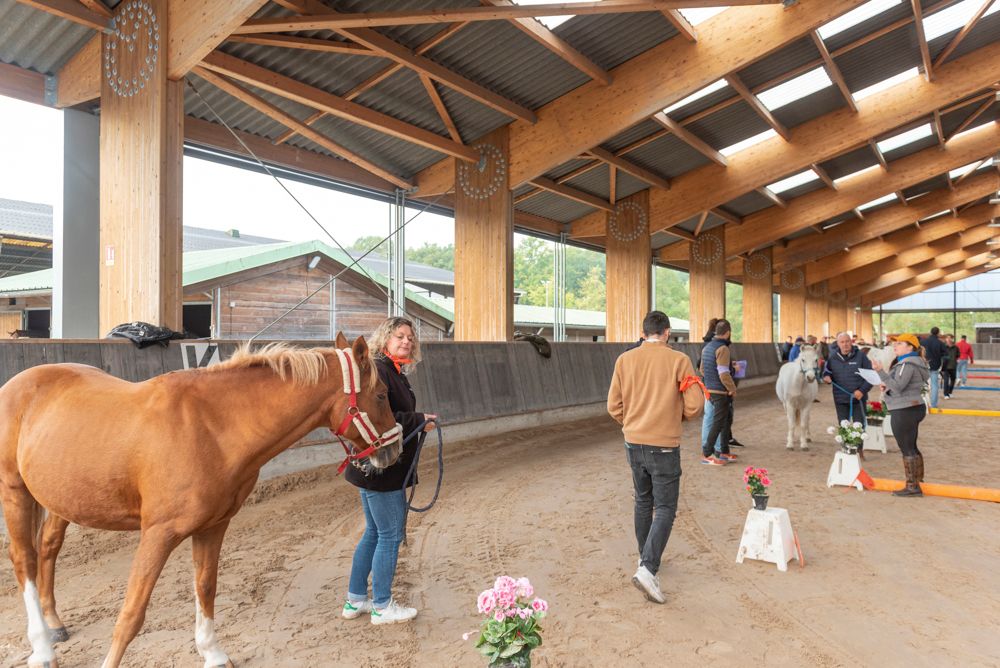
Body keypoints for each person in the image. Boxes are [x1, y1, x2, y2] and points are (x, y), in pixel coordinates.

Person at [343, 317, 437, 624]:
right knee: (389, 535)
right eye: (400, 336)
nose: (407, 342)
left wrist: (418, 420)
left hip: (373, 465)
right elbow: (382, 416)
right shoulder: (381, 370)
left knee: (373, 532)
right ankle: (382, 605)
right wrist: (419, 418)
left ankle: (356, 599)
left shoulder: (392, 370)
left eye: (411, 338)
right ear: (386, 340)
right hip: (385, 466)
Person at [608, 311, 703, 604]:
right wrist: (676, 418)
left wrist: (633, 423)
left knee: (642, 500)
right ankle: (648, 568)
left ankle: (644, 556)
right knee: (665, 507)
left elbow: (614, 406)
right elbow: (695, 404)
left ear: (643, 330)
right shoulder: (678, 360)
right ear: (667, 333)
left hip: (633, 442)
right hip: (664, 444)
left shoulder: (624, 360)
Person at [872, 334, 930, 498]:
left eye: (899, 343)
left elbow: (897, 386)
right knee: (911, 445)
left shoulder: (907, 364)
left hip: (904, 408)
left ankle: (912, 486)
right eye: (894, 343)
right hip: (913, 406)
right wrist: (887, 385)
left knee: (907, 448)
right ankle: (918, 480)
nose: (895, 346)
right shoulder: (916, 362)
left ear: (910, 347)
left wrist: (880, 373)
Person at [700, 319, 738, 466]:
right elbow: (723, 373)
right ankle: (707, 453)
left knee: (724, 420)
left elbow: (702, 370)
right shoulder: (723, 349)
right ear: (727, 333)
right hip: (720, 391)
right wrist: (732, 388)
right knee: (718, 423)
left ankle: (723, 451)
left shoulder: (707, 347)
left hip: (709, 390)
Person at [822, 332, 873, 432]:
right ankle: (845, 448)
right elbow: (827, 371)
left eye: (847, 341)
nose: (845, 344)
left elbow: (871, 377)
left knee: (858, 428)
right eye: (842, 342)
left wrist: (862, 391)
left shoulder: (861, 356)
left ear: (851, 342)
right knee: (844, 427)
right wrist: (826, 377)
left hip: (858, 398)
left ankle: (858, 448)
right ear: (838, 343)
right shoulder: (832, 357)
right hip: (840, 399)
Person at [920, 326, 946, 408]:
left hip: (923, 365)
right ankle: (933, 404)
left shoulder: (923, 342)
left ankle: (921, 403)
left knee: (922, 384)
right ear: (938, 333)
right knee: (934, 385)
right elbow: (945, 354)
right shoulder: (940, 343)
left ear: (930, 332)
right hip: (935, 366)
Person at [941, 334, 958, 399]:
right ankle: (946, 394)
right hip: (945, 367)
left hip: (953, 366)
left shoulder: (956, 347)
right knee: (946, 380)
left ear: (952, 339)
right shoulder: (943, 347)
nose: (948, 339)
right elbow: (941, 355)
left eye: (950, 338)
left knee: (953, 379)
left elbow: (957, 355)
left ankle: (950, 392)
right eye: (947, 338)